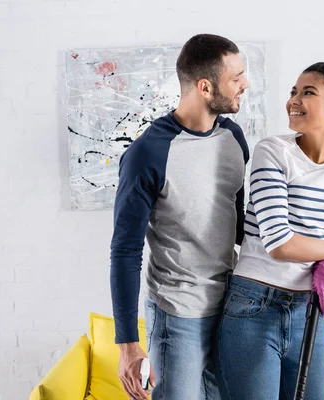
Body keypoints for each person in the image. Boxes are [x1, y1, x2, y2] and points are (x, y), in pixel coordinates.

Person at [215, 62, 324, 399]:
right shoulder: (273, 151)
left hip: (309, 310)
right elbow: (280, 243)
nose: (294, 100)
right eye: (293, 91)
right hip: (253, 305)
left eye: (308, 92)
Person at [109, 33, 249, 400]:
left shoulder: (233, 137)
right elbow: (125, 250)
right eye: (236, 78)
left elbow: (239, 228)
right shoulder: (147, 154)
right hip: (177, 316)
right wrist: (127, 344)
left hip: (231, 311)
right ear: (205, 87)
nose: (244, 84)